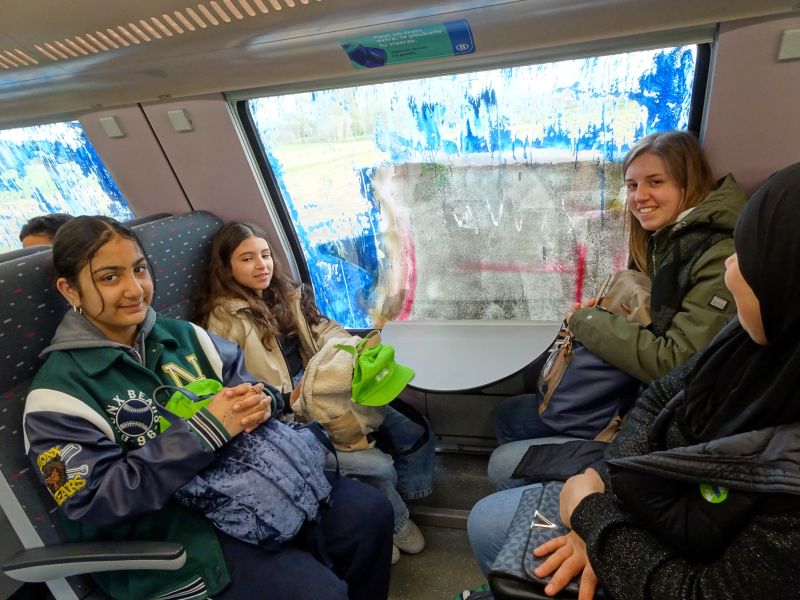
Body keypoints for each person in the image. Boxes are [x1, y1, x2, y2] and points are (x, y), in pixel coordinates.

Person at [468, 162, 800, 599]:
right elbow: (663, 394)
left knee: (488, 513)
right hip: (653, 482)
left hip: (665, 538)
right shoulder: (748, 339)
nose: (730, 267)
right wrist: (612, 484)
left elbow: (702, 589)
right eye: (631, 185)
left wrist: (594, 519)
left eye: (749, 257)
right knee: (510, 423)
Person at [23, 216, 393, 600]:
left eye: (140, 270)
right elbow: (95, 501)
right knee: (318, 593)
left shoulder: (188, 337)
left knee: (370, 515)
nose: (134, 289)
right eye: (110, 277)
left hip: (250, 485)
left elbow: (253, 388)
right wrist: (203, 432)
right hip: (175, 534)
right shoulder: (57, 396)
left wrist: (262, 401)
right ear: (70, 289)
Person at [490, 131, 746, 487]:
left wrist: (587, 321)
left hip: (652, 422)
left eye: (655, 182)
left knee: (501, 465)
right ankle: (547, 488)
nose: (639, 197)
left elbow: (676, 364)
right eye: (632, 185)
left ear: (689, 183)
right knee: (508, 416)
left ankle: (565, 499)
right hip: (631, 397)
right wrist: (607, 316)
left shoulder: (718, 257)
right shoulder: (668, 239)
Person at [193, 221, 433, 563]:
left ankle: (405, 501)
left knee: (410, 424)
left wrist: (351, 353)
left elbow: (325, 330)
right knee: (377, 467)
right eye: (247, 259)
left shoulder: (286, 296)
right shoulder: (224, 321)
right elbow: (233, 388)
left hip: (320, 386)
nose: (261, 265)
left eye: (265, 255)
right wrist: (285, 398)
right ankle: (394, 522)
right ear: (226, 268)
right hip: (284, 416)